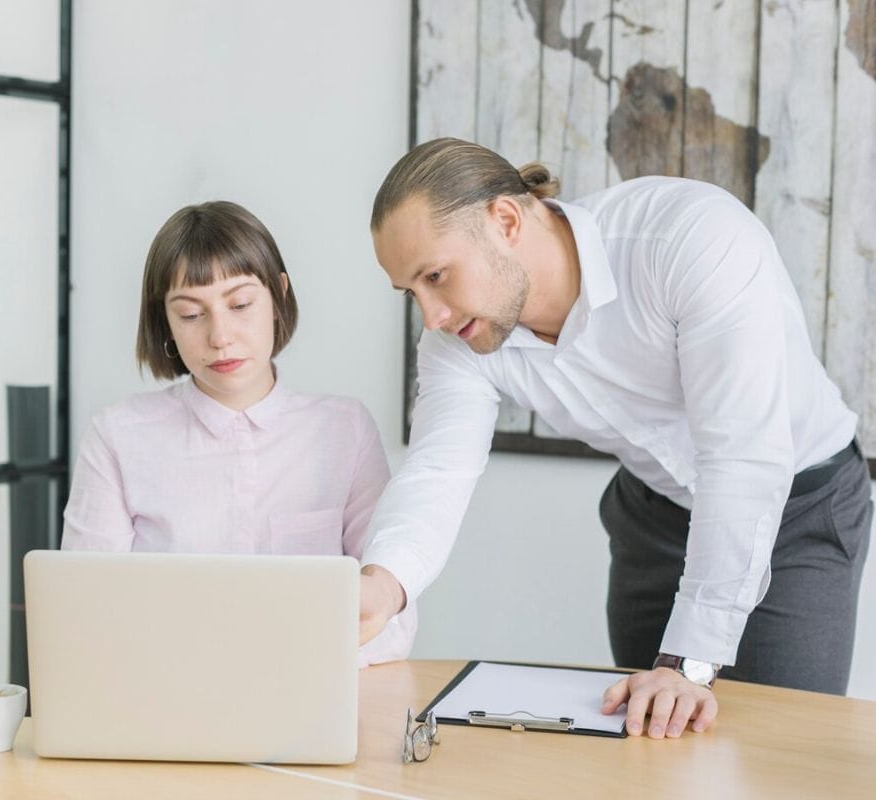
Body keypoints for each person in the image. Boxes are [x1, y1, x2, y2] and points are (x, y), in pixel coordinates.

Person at [357, 137, 871, 736]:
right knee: (646, 749)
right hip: (653, 516)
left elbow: (741, 457)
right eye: (411, 292)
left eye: (437, 276)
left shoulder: (689, 238)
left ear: (505, 219)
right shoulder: (459, 340)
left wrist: (688, 661)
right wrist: (382, 585)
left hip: (801, 511)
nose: (433, 315)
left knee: (788, 747)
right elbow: (438, 469)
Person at [62, 200, 416, 666]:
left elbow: (390, 623)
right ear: (164, 320)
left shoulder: (344, 431)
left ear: (278, 296)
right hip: (163, 704)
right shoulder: (119, 437)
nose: (220, 336)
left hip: (310, 705)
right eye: (191, 314)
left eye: (241, 304)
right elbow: (81, 613)